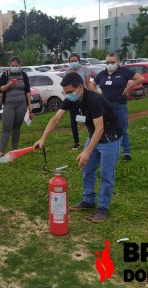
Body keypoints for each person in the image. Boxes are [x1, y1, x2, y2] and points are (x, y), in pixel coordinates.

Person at [35, 73, 123, 222]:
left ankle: (102, 207)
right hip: (93, 135)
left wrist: (87, 151)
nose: (68, 95)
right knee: (87, 169)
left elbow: (100, 128)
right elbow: (55, 119)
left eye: (70, 92)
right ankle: (88, 201)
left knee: (106, 175)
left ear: (80, 87)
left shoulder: (94, 100)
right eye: (65, 92)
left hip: (110, 138)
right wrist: (43, 138)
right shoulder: (71, 99)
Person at [91, 53, 144, 161]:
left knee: (122, 129)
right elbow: (92, 84)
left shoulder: (124, 72)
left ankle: (126, 152)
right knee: (106, 128)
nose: (110, 64)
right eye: (108, 62)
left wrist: (129, 86)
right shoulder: (102, 74)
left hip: (119, 104)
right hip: (106, 106)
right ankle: (109, 149)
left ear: (118, 62)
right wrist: (98, 95)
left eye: (112, 62)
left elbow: (140, 78)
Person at [0, 56, 33, 158]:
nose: (14, 67)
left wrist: (29, 105)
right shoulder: (5, 75)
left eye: (16, 65)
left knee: (17, 127)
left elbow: (27, 91)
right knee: (6, 127)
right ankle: (1, 151)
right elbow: (0, 89)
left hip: (21, 103)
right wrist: (9, 84)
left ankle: (14, 149)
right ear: (9, 66)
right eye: (12, 66)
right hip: (8, 104)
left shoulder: (23, 75)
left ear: (20, 65)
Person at [64, 54, 92, 150]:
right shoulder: (67, 71)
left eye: (75, 60)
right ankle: (76, 142)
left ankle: (92, 137)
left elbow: (88, 84)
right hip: (73, 98)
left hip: (83, 97)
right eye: (71, 61)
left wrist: (92, 94)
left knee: (87, 118)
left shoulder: (84, 69)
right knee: (73, 121)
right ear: (69, 62)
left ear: (79, 61)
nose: (73, 62)